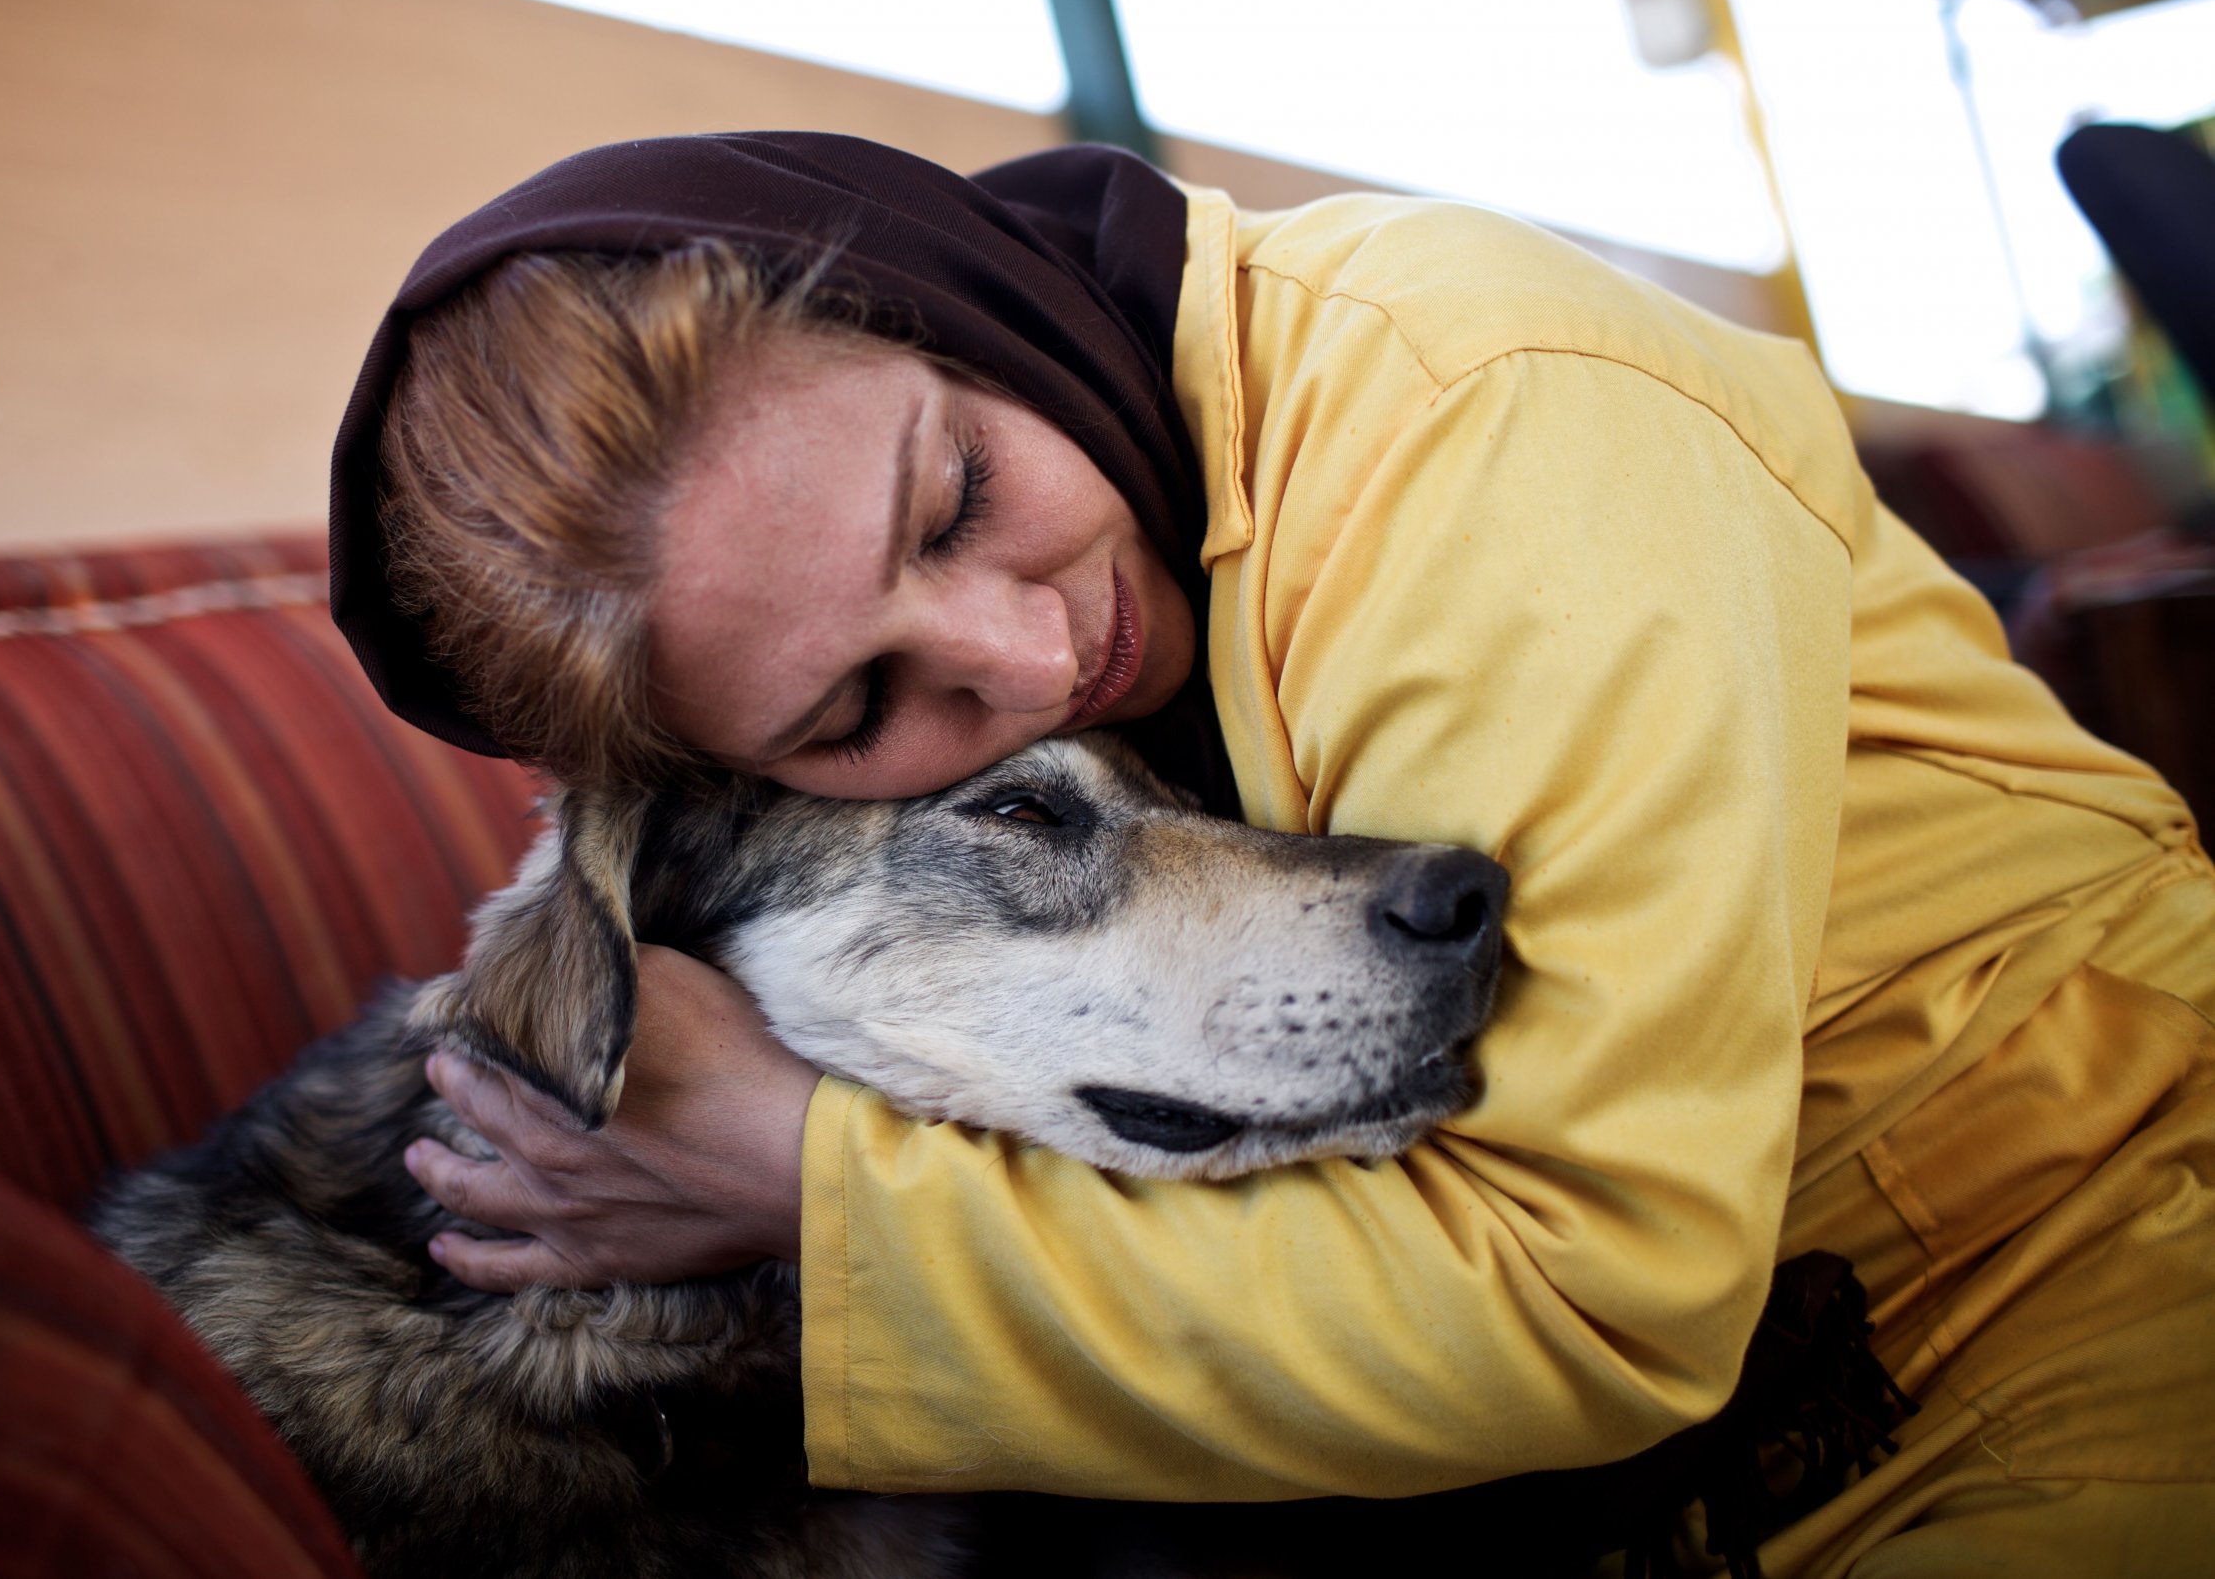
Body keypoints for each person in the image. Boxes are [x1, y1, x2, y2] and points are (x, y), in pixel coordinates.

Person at [327, 133, 2215, 1575]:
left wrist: (817, 1185)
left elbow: (1586, 1289)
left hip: (2088, 1236)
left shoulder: (1470, 403)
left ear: (948, 299)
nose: (1032, 656)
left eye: (964, 493)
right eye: (853, 716)